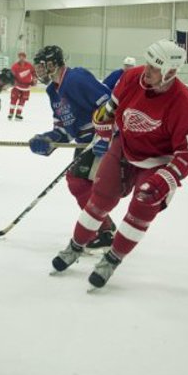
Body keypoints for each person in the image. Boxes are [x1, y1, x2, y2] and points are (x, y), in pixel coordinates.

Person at [50, 39, 188, 289]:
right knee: (100, 196)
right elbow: (110, 108)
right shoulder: (132, 77)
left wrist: (166, 179)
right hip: (125, 146)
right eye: (148, 63)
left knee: (143, 205)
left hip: (157, 161)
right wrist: (103, 129)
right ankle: (75, 246)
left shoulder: (184, 104)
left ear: (170, 72)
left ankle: (113, 259)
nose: (147, 71)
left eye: (155, 68)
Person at [29, 45, 115, 249]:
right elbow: (63, 127)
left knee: (79, 182)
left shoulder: (76, 78)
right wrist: (48, 140)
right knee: (79, 183)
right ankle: (104, 227)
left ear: (53, 64)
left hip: (99, 138)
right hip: (84, 141)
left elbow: (110, 105)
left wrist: (106, 135)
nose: (38, 71)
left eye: (41, 66)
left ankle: (104, 230)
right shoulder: (52, 91)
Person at [7, 52, 35, 120]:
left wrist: (34, 79)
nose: (21, 58)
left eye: (23, 57)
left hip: (26, 87)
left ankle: (18, 114)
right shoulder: (15, 66)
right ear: (18, 57)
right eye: (20, 57)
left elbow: (34, 73)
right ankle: (11, 113)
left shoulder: (30, 65)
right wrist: (13, 81)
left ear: (25, 57)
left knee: (22, 101)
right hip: (17, 86)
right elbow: (11, 75)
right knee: (13, 100)